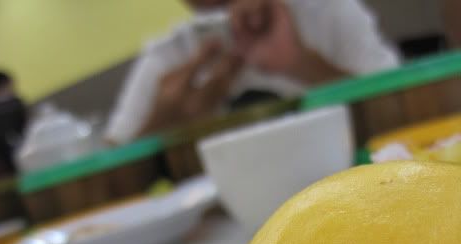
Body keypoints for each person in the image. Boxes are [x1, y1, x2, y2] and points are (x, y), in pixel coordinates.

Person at [106, 0, 399, 145]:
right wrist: (165, 124)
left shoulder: (324, 10)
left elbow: (404, 108)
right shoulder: (171, 56)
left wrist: (303, 64)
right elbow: (107, 175)